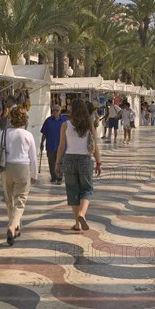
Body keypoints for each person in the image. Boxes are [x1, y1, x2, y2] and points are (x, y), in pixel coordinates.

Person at [0, 106, 37, 246]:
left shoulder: (4, 133)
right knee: (20, 200)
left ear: (10, 118)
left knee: (9, 200)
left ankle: (15, 227)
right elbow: (33, 157)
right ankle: (12, 227)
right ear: (24, 120)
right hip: (23, 168)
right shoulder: (27, 135)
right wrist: (34, 173)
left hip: (6, 168)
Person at [55, 99, 101, 232]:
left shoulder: (65, 125)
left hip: (69, 160)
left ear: (72, 110)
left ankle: (77, 224)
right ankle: (82, 214)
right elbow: (95, 146)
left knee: (72, 191)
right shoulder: (89, 124)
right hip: (85, 160)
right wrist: (98, 162)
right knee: (86, 189)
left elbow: (61, 146)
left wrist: (58, 163)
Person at [40, 105, 67, 184]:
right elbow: (44, 133)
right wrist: (41, 143)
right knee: (52, 163)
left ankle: (59, 177)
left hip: (61, 146)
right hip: (51, 146)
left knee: (60, 162)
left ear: (60, 111)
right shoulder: (48, 121)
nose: (55, 112)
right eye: (53, 110)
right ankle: (53, 177)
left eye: (57, 110)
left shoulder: (64, 120)